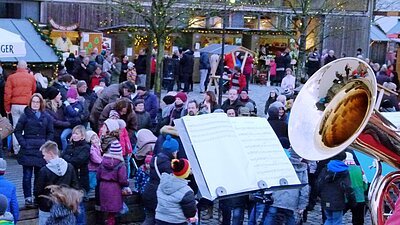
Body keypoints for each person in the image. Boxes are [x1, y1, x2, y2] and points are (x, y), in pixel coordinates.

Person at [14, 93, 54, 208]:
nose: (35, 104)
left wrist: (47, 144)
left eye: (37, 102)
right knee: (27, 175)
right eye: (33, 102)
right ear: (30, 103)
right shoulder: (25, 115)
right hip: (27, 148)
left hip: (41, 150)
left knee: (39, 175)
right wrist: (23, 143)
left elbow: (51, 132)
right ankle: (27, 198)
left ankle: (38, 197)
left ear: (41, 103)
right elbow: (17, 131)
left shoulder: (47, 116)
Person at [36, 141, 80, 225]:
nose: (44, 157)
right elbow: (75, 186)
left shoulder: (44, 171)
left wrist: (40, 203)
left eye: (44, 155)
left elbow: (38, 190)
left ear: (51, 153)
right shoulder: (69, 167)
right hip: (66, 207)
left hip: (47, 207)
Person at [263, 148, 309, 225]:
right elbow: (304, 188)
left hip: (277, 195)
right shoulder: (303, 168)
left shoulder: (281, 164)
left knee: (271, 215)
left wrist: (267, 193)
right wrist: (302, 205)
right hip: (292, 199)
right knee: (290, 216)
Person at [141, 135, 179, 225]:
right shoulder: (167, 164)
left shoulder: (156, 158)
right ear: (173, 151)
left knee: (149, 218)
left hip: (149, 191)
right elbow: (171, 182)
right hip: (158, 195)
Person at [4, 60, 36, 154]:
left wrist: (7, 108)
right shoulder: (31, 77)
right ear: (26, 67)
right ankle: (25, 148)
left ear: (17, 67)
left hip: (15, 104)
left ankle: (16, 150)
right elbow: (33, 90)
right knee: (27, 127)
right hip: (26, 105)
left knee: (16, 127)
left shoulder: (11, 77)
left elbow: (7, 94)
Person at [316, 151, 356, 225]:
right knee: (337, 221)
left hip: (325, 198)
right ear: (343, 159)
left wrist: (319, 195)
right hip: (338, 200)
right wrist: (352, 201)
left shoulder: (326, 168)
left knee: (329, 219)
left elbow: (319, 183)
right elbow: (348, 187)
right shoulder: (344, 171)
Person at [97, 140, 131, 225]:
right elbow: (122, 179)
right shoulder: (121, 164)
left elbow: (98, 175)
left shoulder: (103, 161)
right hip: (115, 188)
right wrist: (126, 185)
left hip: (103, 186)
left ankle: (108, 221)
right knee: (113, 211)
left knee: (107, 209)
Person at [155, 158, 197, 225]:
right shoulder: (187, 191)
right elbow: (190, 212)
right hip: (177, 221)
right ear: (186, 173)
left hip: (160, 218)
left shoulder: (162, 183)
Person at [61, 125, 90, 194]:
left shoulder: (86, 147)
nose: (74, 135)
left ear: (82, 135)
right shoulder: (69, 145)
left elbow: (78, 161)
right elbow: (62, 156)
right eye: (73, 133)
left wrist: (67, 158)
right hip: (69, 176)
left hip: (80, 176)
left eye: (76, 134)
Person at [343, 152, 368, 225]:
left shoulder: (342, 170)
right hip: (359, 198)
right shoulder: (360, 170)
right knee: (358, 220)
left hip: (345, 198)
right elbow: (365, 184)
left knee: (336, 218)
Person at [45, 87, 71, 152]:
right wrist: (68, 124)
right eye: (59, 95)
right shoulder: (46, 109)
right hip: (54, 133)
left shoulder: (61, 106)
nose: (61, 96)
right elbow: (53, 121)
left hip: (62, 131)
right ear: (54, 96)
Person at [0, 158, 19, 224]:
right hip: (4, 220)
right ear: (4, 171)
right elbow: (14, 206)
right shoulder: (10, 186)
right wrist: (14, 221)